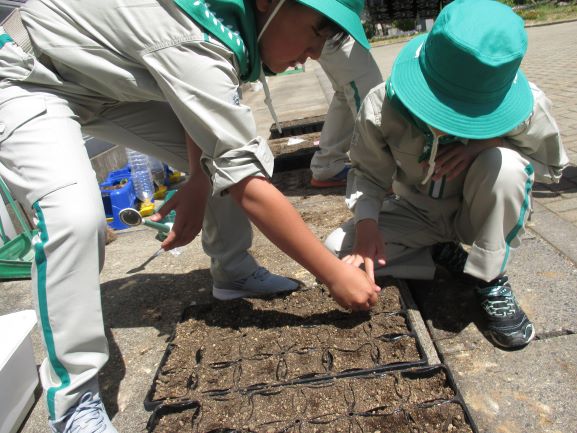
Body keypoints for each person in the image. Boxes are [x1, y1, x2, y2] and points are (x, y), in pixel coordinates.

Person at [0, 0, 381, 431]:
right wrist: (332, 273)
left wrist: (199, 182)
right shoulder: (197, 30)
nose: (314, 52)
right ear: (268, 4)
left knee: (230, 159)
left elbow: (196, 103)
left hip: (103, 86)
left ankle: (233, 271)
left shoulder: (229, 24)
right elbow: (244, 181)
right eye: (315, 29)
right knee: (72, 215)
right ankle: (72, 403)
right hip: (25, 74)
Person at [325, 0, 568, 350]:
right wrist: (366, 226)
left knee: (506, 164)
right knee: (338, 253)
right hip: (417, 212)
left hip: (477, 214)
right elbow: (367, 174)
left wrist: (489, 142)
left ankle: (490, 277)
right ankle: (440, 252)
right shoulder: (383, 105)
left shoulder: (527, 106)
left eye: (470, 115)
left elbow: (550, 167)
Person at [309, 36, 383, 188]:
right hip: (329, 26)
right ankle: (380, 171)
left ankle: (328, 165)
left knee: (347, 90)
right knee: (369, 88)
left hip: (327, 26)